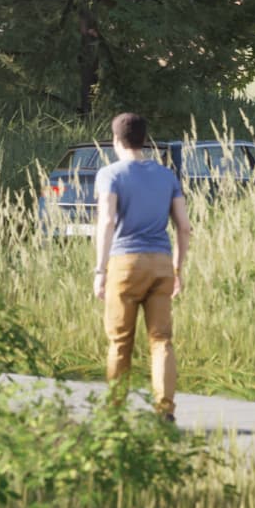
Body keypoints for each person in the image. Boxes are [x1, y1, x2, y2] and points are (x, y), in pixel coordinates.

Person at [91, 112, 190, 422]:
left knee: (121, 340)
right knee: (161, 340)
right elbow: (184, 227)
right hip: (161, 263)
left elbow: (107, 220)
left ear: (116, 141)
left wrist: (100, 269)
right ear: (145, 141)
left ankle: (115, 412)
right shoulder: (167, 176)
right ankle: (165, 410)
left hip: (125, 263)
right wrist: (178, 269)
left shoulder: (110, 174)